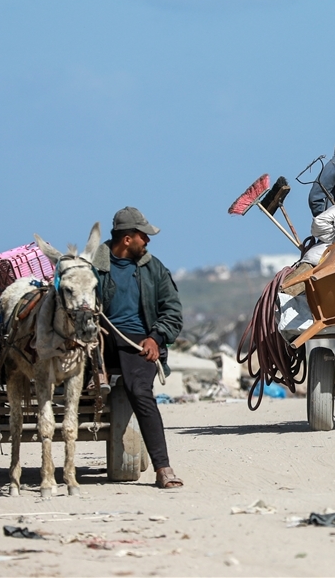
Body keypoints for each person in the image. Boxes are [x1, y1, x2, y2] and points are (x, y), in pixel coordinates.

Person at [92, 207, 184, 488]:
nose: (148, 241)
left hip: (139, 341)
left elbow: (173, 311)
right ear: (128, 239)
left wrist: (156, 338)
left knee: (140, 391)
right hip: (99, 338)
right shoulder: (93, 267)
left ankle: (163, 468)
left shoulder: (153, 268)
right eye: (143, 235)